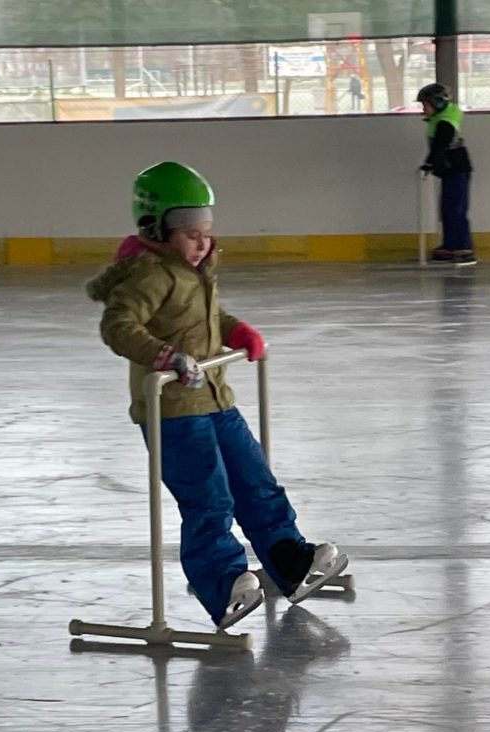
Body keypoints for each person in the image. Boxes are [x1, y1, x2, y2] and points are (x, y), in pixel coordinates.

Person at [86, 160, 348, 631]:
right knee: (209, 500)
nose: (203, 243)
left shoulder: (193, 271)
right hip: (173, 411)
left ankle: (289, 560)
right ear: (156, 229)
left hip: (215, 399)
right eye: (191, 235)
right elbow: (118, 325)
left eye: (206, 233)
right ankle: (222, 583)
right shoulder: (148, 276)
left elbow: (204, 317)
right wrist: (163, 356)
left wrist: (235, 330)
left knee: (256, 482)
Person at [417, 82, 476, 266]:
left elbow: (440, 144)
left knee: (455, 209)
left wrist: (428, 164)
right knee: (447, 210)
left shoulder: (445, 122)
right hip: (449, 171)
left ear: (438, 103)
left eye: (425, 105)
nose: (423, 109)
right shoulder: (441, 118)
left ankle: (463, 247)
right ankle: (451, 244)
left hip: (456, 170)